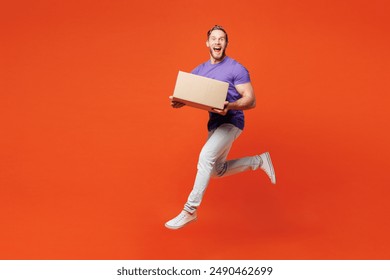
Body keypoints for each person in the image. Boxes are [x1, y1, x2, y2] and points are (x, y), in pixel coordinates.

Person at [165, 25, 276, 230]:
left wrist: (230, 106)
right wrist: (180, 101)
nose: (217, 42)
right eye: (214, 39)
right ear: (207, 43)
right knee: (216, 170)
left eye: (222, 39)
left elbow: (251, 101)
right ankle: (258, 161)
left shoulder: (236, 68)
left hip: (232, 121)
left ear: (226, 43)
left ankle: (190, 210)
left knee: (205, 157)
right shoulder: (200, 70)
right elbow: (188, 93)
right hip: (214, 125)